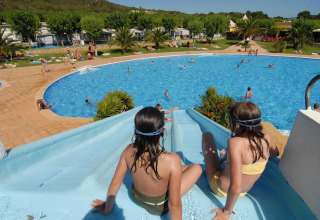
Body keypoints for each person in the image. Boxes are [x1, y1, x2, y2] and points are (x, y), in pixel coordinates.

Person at [91, 107, 202, 218]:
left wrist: (107, 209)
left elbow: (114, 185)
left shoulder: (128, 150)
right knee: (197, 168)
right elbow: (174, 204)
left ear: (136, 131)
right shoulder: (172, 160)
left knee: (177, 168)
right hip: (160, 206)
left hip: (137, 198)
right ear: (163, 132)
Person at [202, 102, 279, 219]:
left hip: (220, 188)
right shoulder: (267, 137)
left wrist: (226, 212)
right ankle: (225, 157)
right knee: (232, 158)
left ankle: (219, 161)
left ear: (236, 124)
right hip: (244, 192)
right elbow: (275, 153)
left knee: (207, 136)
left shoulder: (235, 143)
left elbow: (236, 186)